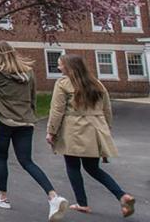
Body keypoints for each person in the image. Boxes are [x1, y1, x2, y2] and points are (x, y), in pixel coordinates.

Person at [0, 41, 68, 221]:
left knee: (1, 157)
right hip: (25, 121)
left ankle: (2, 197)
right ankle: (53, 196)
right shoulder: (28, 71)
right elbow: (32, 95)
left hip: (3, 120)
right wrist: (30, 115)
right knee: (27, 161)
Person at [46, 54, 135, 217]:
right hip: (95, 130)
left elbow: (57, 110)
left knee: (72, 166)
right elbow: (107, 109)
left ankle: (82, 203)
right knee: (93, 168)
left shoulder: (63, 83)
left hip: (74, 130)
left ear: (69, 67)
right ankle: (122, 196)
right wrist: (106, 129)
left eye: (60, 65)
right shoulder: (97, 83)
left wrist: (51, 131)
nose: (58, 68)